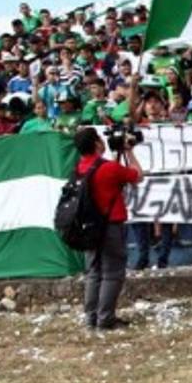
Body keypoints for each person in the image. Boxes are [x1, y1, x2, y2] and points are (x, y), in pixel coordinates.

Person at [74, 126, 143, 330]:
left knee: (94, 273)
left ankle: (91, 317)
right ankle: (106, 318)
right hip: (111, 225)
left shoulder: (79, 168)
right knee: (112, 272)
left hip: (88, 227)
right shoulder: (109, 168)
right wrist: (129, 151)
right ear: (97, 143)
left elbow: (105, 172)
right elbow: (137, 175)